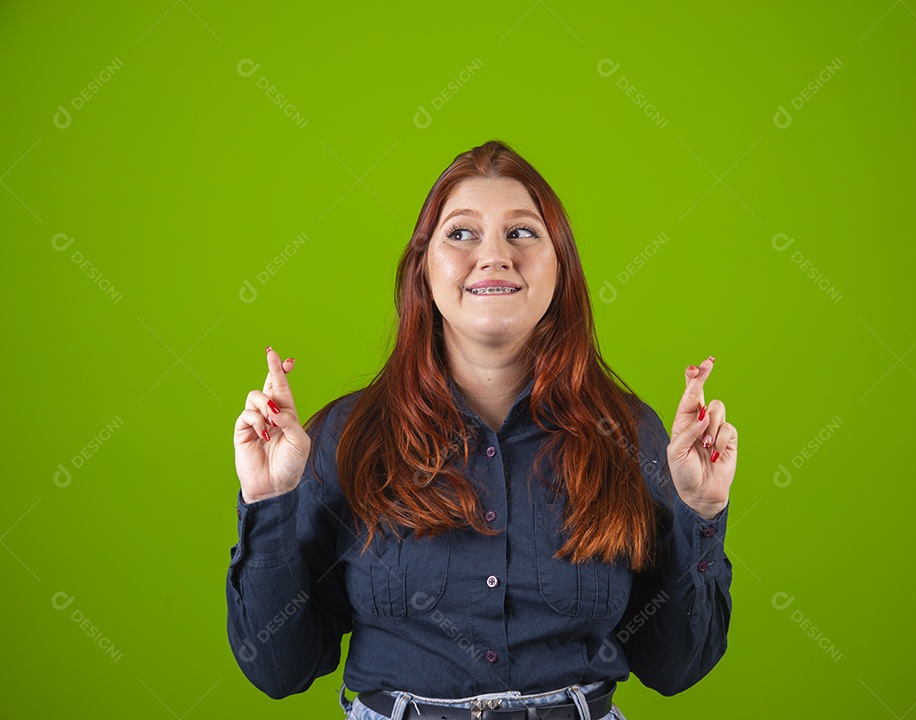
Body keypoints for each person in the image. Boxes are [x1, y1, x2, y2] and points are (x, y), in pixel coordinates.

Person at [226, 139, 738, 720]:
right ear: (423, 268)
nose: (494, 256)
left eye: (521, 232)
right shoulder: (348, 438)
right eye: (462, 233)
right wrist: (267, 502)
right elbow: (280, 670)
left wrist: (700, 512)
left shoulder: (626, 434)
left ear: (561, 266)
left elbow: (675, 667)